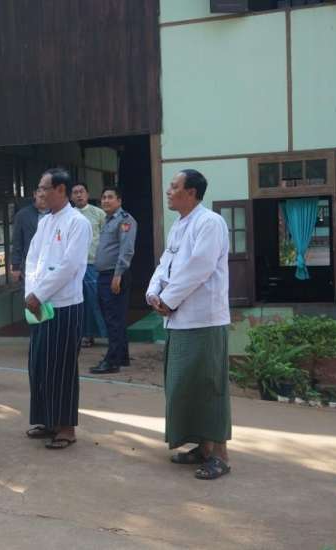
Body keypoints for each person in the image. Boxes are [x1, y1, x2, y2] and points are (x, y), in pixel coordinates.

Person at [146, 169, 232, 480]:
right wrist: (154, 293)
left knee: (208, 386)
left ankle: (220, 454)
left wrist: (168, 299)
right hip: (178, 319)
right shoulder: (180, 225)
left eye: (174, 187)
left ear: (192, 192)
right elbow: (164, 264)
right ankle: (202, 446)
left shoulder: (210, 223)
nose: (168, 192)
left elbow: (200, 267)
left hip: (204, 319)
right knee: (183, 386)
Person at [24, 168, 91, 450]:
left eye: (44, 188)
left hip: (64, 305)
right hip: (39, 305)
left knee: (61, 367)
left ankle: (65, 427)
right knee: (39, 364)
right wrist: (31, 292)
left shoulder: (77, 222)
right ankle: (47, 419)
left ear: (61, 190)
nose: (40, 193)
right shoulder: (45, 222)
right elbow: (32, 259)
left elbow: (69, 265)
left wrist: (39, 293)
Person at [90, 187, 137, 374]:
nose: (106, 200)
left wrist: (117, 275)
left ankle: (111, 361)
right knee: (115, 318)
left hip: (115, 275)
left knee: (113, 319)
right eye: (103, 197)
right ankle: (121, 356)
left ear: (119, 201)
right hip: (105, 275)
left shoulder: (125, 220)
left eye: (110, 197)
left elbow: (126, 249)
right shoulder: (108, 220)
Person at [72, 182, 107, 347]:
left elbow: (106, 238)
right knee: (79, 301)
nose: (79, 195)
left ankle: (105, 334)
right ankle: (83, 335)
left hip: (93, 263)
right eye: (75, 192)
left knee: (95, 300)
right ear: (71, 196)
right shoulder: (69, 215)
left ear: (87, 194)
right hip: (73, 266)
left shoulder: (98, 213)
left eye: (81, 191)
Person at [10, 186, 48, 282]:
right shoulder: (22, 215)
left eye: (46, 197)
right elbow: (17, 241)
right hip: (30, 264)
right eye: (41, 197)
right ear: (35, 195)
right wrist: (15, 266)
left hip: (51, 264)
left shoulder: (56, 214)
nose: (44, 200)